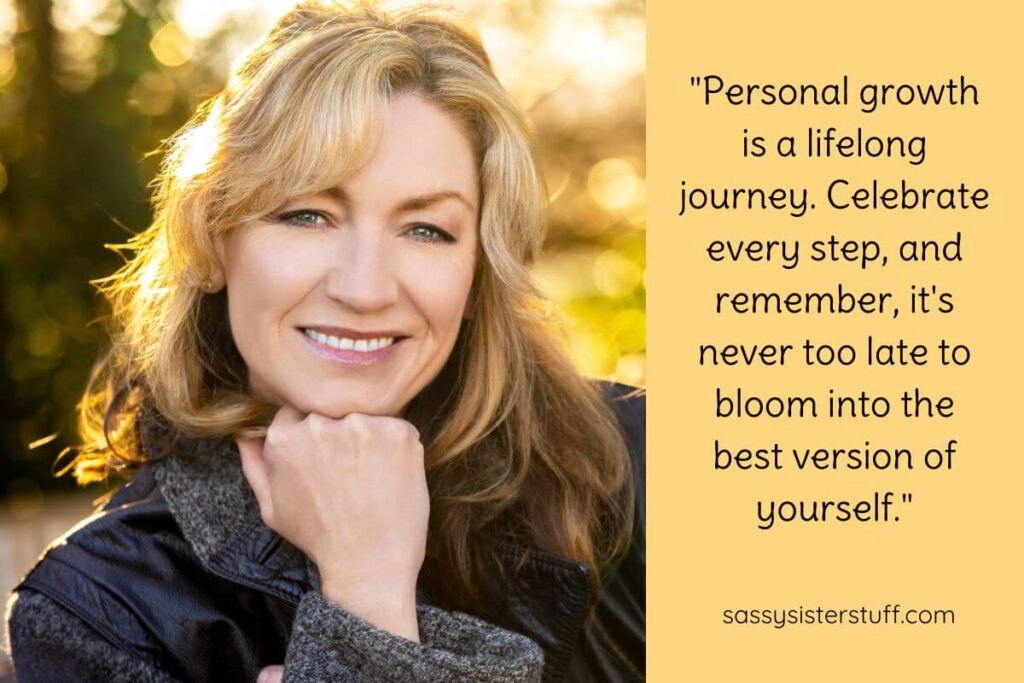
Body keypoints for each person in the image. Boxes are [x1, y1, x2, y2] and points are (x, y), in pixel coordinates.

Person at [3, 1, 645, 680]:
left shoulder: (642, 467)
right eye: (307, 215)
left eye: (427, 229)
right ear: (214, 240)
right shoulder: (103, 611)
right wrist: (367, 596)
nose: (365, 289)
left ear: (478, 271)